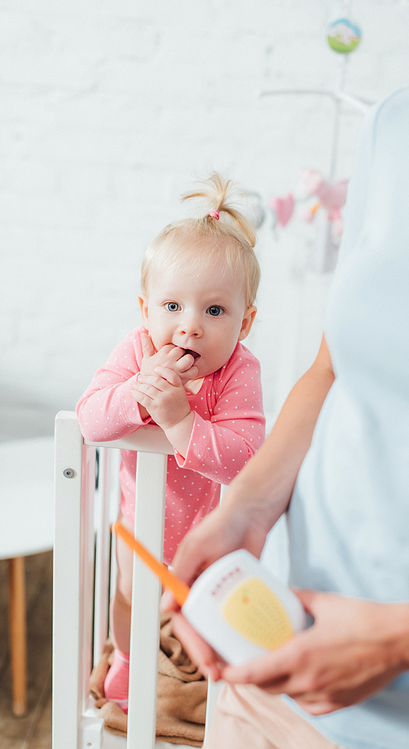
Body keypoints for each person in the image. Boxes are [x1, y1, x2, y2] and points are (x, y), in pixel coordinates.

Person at [165, 2, 409, 748]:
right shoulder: (398, 129)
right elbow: (332, 367)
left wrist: (404, 641)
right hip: (276, 672)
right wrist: (248, 508)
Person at [76, 173, 265, 713]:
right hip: (142, 528)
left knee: (200, 612)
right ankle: (130, 664)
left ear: (244, 322)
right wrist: (140, 397)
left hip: (207, 536)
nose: (190, 328)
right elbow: (89, 420)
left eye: (214, 310)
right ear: (146, 310)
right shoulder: (137, 353)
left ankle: (199, 669)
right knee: (132, 600)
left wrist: (180, 419)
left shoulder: (237, 371)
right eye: (173, 307)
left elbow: (247, 457)